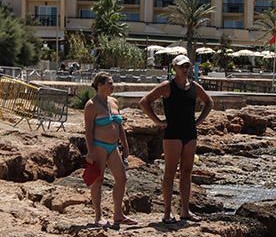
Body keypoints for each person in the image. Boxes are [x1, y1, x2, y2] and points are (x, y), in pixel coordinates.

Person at [139, 54, 214, 224]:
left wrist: (199, 121)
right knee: (170, 172)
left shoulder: (194, 86)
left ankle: (185, 210)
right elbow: (144, 101)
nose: (185, 69)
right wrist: (157, 121)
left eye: (187, 66)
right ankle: (167, 212)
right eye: (181, 66)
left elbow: (209, 102)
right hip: (172, 133)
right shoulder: (167, 86)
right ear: (174, 68)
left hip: (190, 133)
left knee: (187, 172)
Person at [83, 72, 135, 227]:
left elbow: (119, 125)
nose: (113, 86)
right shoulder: (91, 105)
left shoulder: (113, 102)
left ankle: (118, 215)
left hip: (113, 146)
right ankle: (98, 216)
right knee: (98, 180)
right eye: (110, 83)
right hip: (99, 145)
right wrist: (90, 151)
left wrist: (125, 145)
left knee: (122, 178)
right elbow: (88, 131)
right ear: (100, 85)